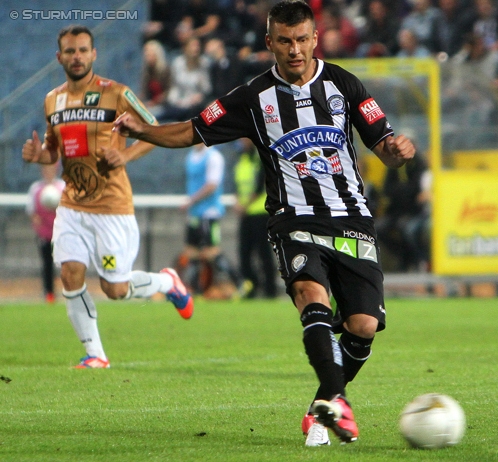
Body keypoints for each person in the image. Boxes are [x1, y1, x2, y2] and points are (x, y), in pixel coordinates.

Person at [113, 0, 416, 446]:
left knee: (363, 326)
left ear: (316, 39)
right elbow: (191, 130)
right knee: (310, 296)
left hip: (351, 219)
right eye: (285, 41)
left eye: (302, 40)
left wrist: (397, 150)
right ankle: (335, 397)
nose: (295, 50)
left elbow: (382, 142)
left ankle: (323, 407)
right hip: (292, 219)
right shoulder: (252, 97)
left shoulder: (345, 85)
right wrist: (143, 132)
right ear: (270, 42)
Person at [21, 25, 194, 370]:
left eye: (83, 50)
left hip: (112, 207)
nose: (77, 57)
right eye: (70, 51)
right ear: (59, 57)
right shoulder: (52, 100)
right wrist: (39, 155)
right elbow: (54, 153)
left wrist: (125, 156)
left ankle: (166, 282)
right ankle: (95, 354)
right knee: (70, 273)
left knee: (114, 288)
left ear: (93, 54)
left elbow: (153, 131)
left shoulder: (117, 94)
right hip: (72, 205)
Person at [180, 142, 243, 296]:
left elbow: (212, 185)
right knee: (191, 251)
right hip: (194, 213)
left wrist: (191, 200)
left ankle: (239, 283)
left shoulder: (214, 157)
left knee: (211, 251)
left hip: (209, 212)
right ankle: (196, 289)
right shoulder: (191, 156)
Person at [233, 138, 278, 299]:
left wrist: (244, 205)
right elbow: (239, 185)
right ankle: (251, 286)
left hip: (260, 212)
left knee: (264, 253)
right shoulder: (241, 159)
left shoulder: (258, 159)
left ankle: (270, 290)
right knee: (244, 253)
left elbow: (260, 185)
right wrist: (238, 201)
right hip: (246, 213)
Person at [25, 163, 65, 303]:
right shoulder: (36, 189)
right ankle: (49, 294)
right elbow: (31, 211)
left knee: (66, 264)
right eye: (45, 169)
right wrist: (35, 219)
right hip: (45, 233)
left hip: (61, 234)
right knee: (47, 264)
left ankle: (70, 291)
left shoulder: (62, 187)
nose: (48, 172)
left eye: (51, 169)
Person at [160, 36, 212, 122]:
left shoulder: (204, 63)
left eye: (197, 46)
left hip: (195, 105)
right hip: (179, 102)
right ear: (185, 48)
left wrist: (200, 96)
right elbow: (174, 87)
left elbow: (207, 89)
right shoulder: (177, 63)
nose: (196, 49)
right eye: (192, 46)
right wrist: (176, 101)